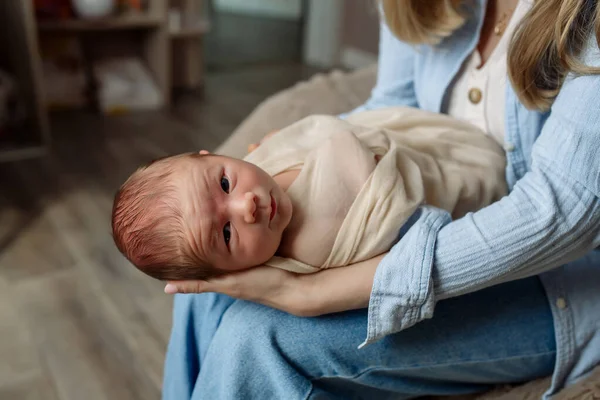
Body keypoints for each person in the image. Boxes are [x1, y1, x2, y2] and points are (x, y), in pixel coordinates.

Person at [161, 0, 600, 399]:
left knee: (255, 338)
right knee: (206, 286)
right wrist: (298, 150)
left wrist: (314, 292)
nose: (245, 206)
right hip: (443, 201)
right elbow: (394, 104)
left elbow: (564, 213)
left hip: (560, 279)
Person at [112, 107, 505, 279]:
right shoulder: (312, 245)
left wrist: (283, 144)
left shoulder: (264, 161)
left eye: (225, 183)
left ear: (211, 154)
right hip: (464, 178)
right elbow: (345, 147)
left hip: (433, 142)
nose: (245, 205)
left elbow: (313, 133)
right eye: (227, 233)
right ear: (228, 276)